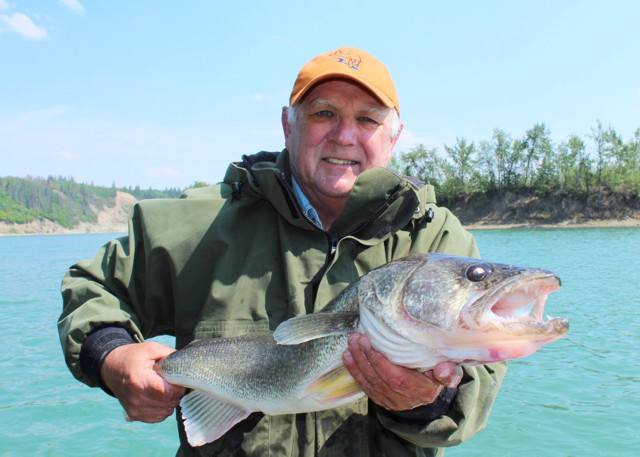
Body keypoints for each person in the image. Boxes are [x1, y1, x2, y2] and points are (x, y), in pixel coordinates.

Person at [58, 46, 506, 456]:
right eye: (323, 113)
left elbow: (474, 392)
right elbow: (94, 286)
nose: (345, 135)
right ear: (288, 125)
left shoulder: (436, 241)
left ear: (394, 136)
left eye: (368, 119)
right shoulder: (197, 222)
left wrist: (430, 399)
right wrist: (112, 357)